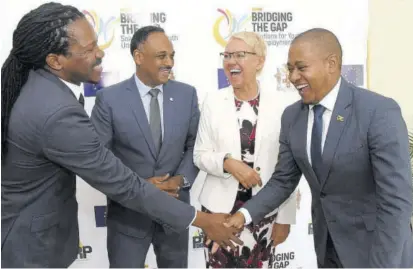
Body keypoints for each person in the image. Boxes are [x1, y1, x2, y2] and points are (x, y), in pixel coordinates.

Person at [0, 3, 241, 267]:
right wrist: (203, 220)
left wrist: (177, 182)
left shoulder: (38, 88)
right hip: (31, 248)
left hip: (35, 237)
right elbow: (118, 180)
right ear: (55, 61)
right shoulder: (56, 111)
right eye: (89, 49)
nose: (100, 54)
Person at [225, 28, 413, 268]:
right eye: (290, 68)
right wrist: (244, 214)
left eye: (301, 68)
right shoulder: (292, 117)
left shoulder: (377, 112)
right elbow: (283, 181)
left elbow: (396, 202)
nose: (293, 77)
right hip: (328, 249)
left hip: (378, 251)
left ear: (331, 64)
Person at [90, 26, 199, 268]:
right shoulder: (109, 99)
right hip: (129, 216)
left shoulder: (186, 94)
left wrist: (180, 180)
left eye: (172, 56)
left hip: (174, 211)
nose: (169, 62)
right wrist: (140, 187)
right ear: (139, 57)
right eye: (162, 56)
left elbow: (194, 146)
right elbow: (99, 157)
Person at [193, 31, 297, 268]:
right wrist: (227, 162)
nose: (231, 61)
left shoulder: (284, 106)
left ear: (259, 61)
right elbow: (200, 155)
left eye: (240, 55)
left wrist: (285, 217)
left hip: (264, 213)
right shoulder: (212, 101)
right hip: (220, 215)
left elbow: (288, 170)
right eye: (227, 55)